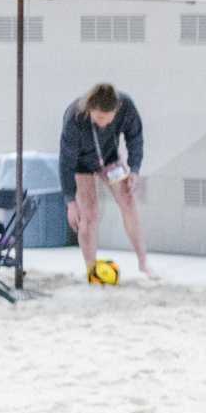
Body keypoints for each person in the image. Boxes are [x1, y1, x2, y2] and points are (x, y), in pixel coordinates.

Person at [60, 83, 151, 279]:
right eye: (98, 118)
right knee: (89, 214)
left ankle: (143, 261)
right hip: (81, 163)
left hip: (109, 159)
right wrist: (70, 201)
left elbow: (135, 138)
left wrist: (134, 170)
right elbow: (66, 162)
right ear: (90, 109)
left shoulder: (125, 106)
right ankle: (92, 270)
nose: (102, 123)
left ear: (116, 110)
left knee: (128, 200)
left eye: (106, 119)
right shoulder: (74, 117)